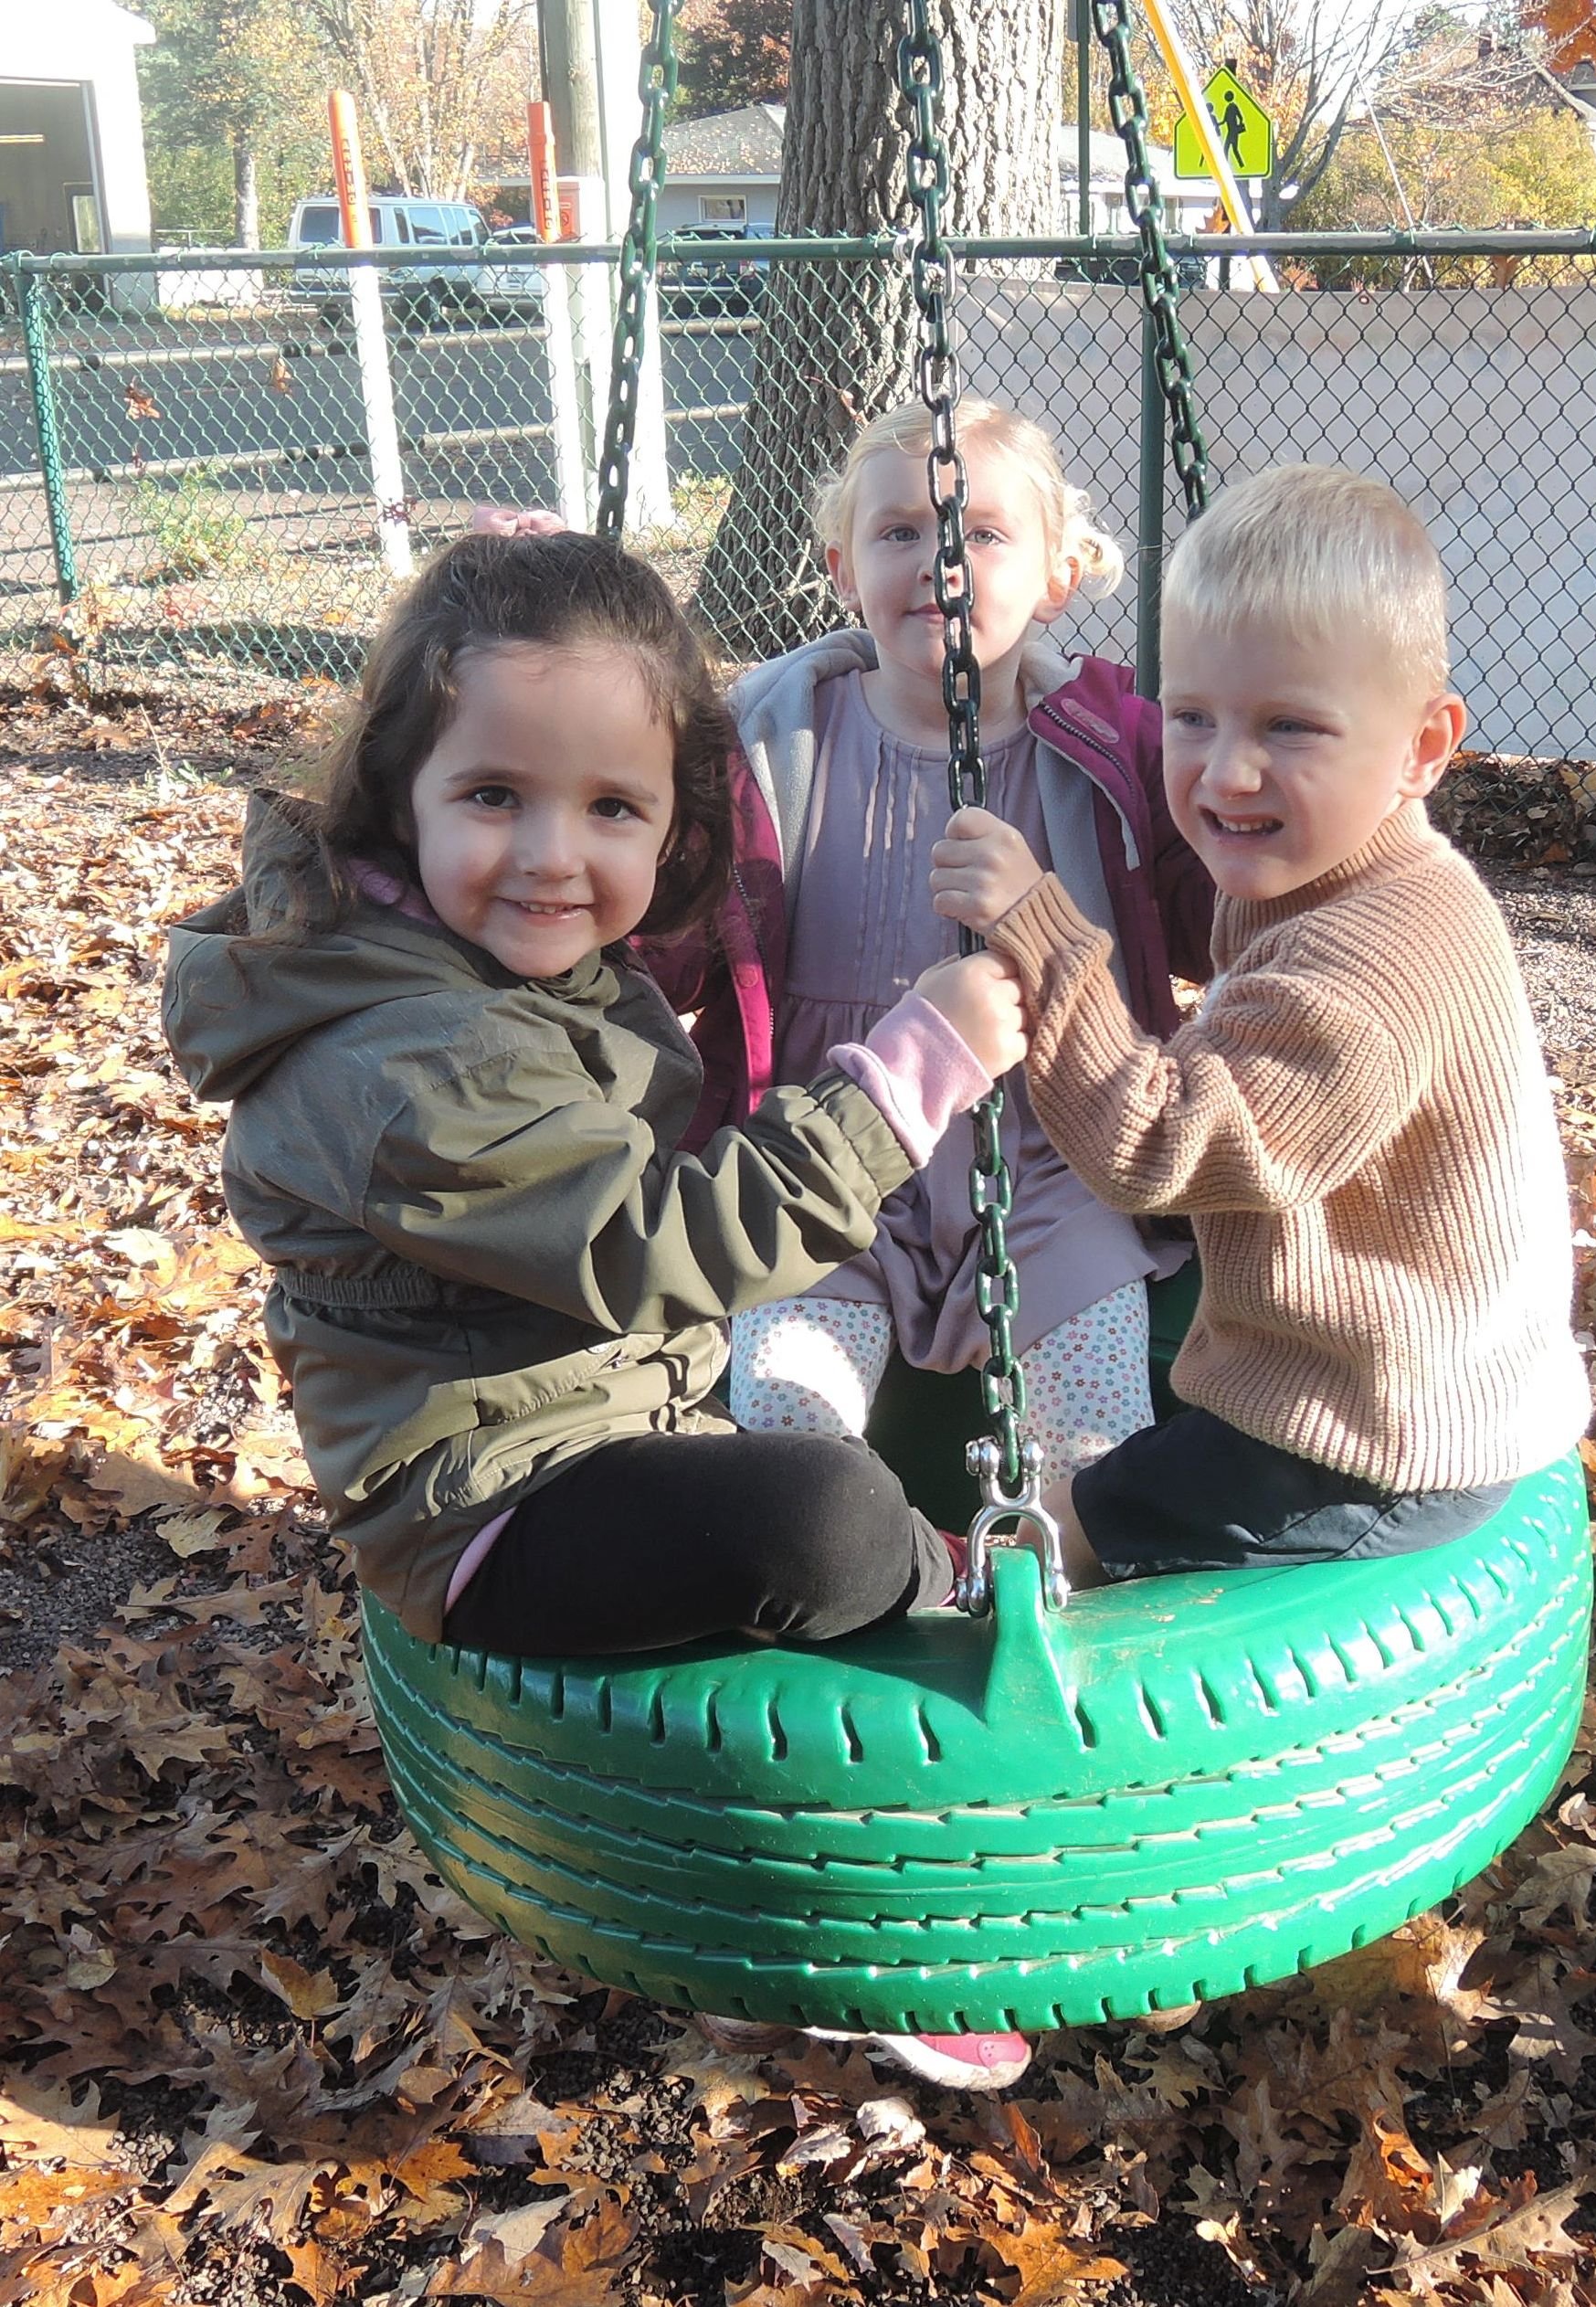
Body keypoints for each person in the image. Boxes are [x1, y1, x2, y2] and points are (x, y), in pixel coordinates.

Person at [161, 529, 1035, 2091]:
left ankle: (828, 1758)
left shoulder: (488, 964)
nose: (553, 855)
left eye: (611, 807)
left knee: (791, 1448)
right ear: (397, 795)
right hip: (490, 1503)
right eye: (495, 796)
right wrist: (907, 1081)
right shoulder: (406, 1061)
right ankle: (876, 1910)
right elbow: (642, 1243)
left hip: (587, 1424)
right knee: (825, 1517)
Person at [930, 462, 1590, 1583]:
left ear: (1425, 747)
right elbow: (1233, 965)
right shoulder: (1336, 867)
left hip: (1375, 1437)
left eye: (1290, 725)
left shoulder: (1376, 960)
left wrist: (1044, 931)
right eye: (1191, 715)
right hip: (1403, 1370)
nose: (1229, 769)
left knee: (1080, 1520)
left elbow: (1158, 1142)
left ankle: (965, 1611)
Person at [688, 397, 1215, 1482]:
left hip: (1052, 1158)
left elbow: (1221, 909)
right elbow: (676, 926)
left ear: (1058, 573)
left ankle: (1065, 1574)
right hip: (826, 1156)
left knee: (1092, 1438)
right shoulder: (770, 736)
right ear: (843, 567)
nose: (940, 560)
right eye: (900, 533)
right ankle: (839, 1569)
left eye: (982, 534)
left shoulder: (1117, 747)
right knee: (788, 1409)